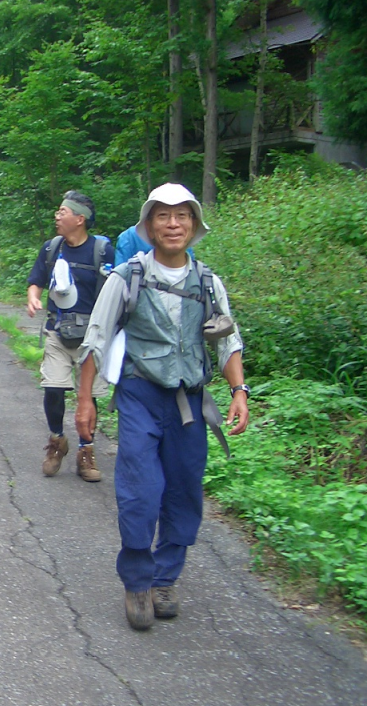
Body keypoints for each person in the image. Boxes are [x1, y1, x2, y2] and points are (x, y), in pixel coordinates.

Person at [75, 183, 250, 632]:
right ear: (149, 225)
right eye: (163, 216)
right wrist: (85, 400)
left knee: (184, 489)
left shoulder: (208, 281)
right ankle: (137, 581)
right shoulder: (126, 277)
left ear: (194, 224)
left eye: (182, 216)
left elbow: (228, 340)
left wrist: (239, 391)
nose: (173, 224)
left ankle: (165, 578)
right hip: (139, 396)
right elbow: (96, 338)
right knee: (140, 487)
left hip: (190, 401)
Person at [26, 191, 114, 482]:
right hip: (57, 331)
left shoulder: (101, 251)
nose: (57, 215)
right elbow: (36, 280)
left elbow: (114, 291)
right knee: (53, 388)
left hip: (92, 336)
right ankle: (57, 441)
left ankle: (85, 451)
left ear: (80, 219)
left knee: (88, 395)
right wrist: (33, 298)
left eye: (63, 211)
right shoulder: (51, 248)